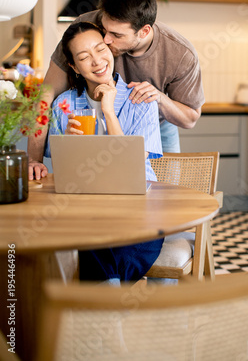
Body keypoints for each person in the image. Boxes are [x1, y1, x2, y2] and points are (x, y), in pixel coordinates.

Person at [28, 0, 205, 180]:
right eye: (104, 30)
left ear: (144, 32)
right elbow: (46, 96)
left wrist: (159, 98)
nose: (106, 40)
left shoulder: (180, 54)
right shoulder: (87, 28)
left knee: (164, 192)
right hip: (95, 112)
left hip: (154, 120)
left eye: (116, 35)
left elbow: (190, 119)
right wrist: (34, 160)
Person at [45, 21, 163, 284]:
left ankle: (103, 302)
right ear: (74, 67)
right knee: (87, 243)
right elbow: (64, 177)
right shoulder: (63, 106)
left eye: (100, 49)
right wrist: (72, 148)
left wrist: (109, 111)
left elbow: (130, 168)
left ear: (111, 49)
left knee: (106, 251)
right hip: (86, 213)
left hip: (139, 211)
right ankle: (111, 302)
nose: (97, 61)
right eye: (85, 57)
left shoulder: (141, 101)